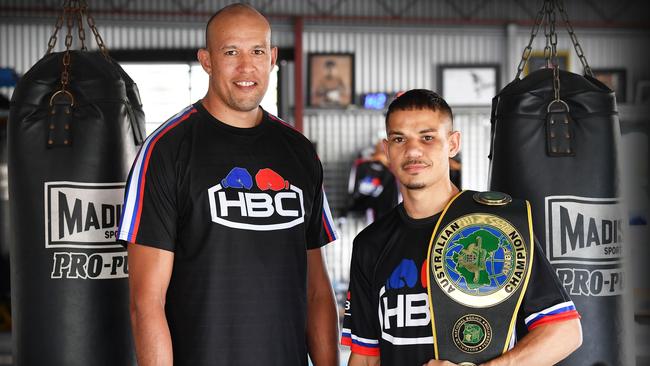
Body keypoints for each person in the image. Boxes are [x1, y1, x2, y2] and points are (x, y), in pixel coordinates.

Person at [118, 4, 339, 365]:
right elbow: (146, 303)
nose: (246, 67)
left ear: (273, 58)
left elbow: (317, 291)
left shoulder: (299, 153)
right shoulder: (166, 150)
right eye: (231, 52)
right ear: (207, 60)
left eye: (257, 51)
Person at [341, 89, 582, 366]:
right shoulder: (370, 243)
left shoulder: (498, 228)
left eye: (428, 137)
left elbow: (564, 331)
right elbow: (365, 357)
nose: (413, 150)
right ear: (387, 150)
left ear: (453, 144)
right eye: (399, 139)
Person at [346, 140, 400, 223]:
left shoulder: (393, 171)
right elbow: (354, 190)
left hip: (389, 211)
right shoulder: (362, 165)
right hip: (366, 208)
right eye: (381, 147)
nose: (383, 150)